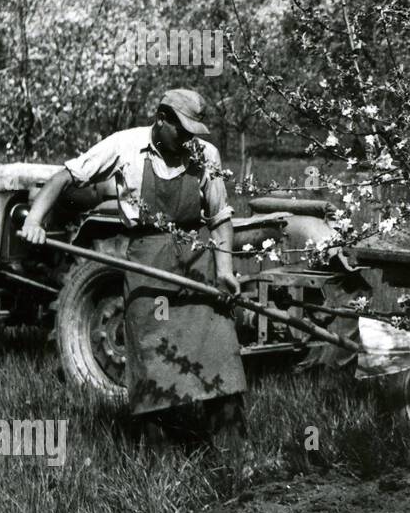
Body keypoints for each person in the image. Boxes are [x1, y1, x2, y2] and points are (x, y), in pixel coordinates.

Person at [18, 88, 247, 447]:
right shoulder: (124, 146)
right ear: (162, 118)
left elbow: (219, 218)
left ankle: (235, 452)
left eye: (193, 133)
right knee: (152, 359)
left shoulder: (206, 154)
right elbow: (65, 176)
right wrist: (35, 219)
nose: (188, 140)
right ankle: (158, 458)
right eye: (182, 131)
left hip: (196, 260)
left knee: (218, 351)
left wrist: (224, 270)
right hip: (147, 259)